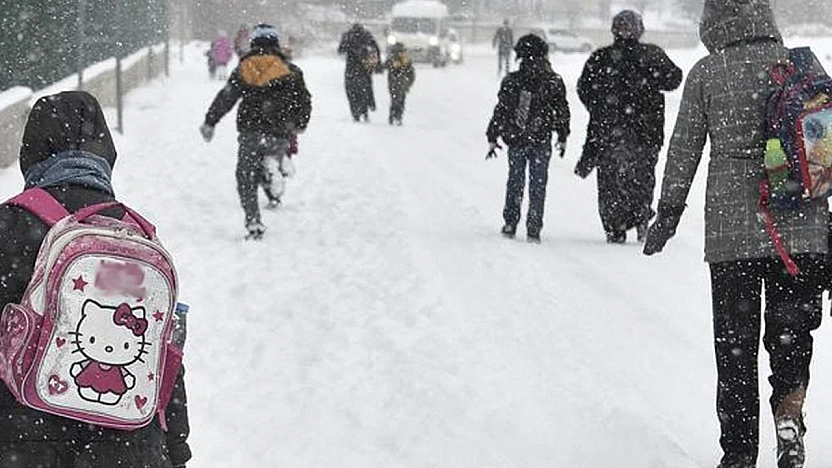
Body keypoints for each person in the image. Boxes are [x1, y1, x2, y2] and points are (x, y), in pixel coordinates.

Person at [642, 0, 828, 466]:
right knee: (791, 335)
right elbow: (822, 148)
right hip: (802, 229)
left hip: (733, 234)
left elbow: (683, 148)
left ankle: (740, 452)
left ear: (713, 22)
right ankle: (789, 415)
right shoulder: (800, 63)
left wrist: (668, 212)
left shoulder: (708, 72)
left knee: (735, 347)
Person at [0, 91, 192, 468]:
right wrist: (176, 452)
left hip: (21, 440)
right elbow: (166, 359)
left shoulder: (8, 226)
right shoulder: (138, 237)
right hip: (128, 446)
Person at [574, 10, 682, 244]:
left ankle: (615, 225)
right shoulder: (651, 55)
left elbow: (584, 88)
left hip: (609, 131)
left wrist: (600, 107)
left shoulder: (601, 58)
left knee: (610, 181)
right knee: (642, 178)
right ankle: (640, 216)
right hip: (646, 131)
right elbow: (674, 79)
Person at [200, 23, 312, 240]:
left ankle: (253, 221)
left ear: (254, 42)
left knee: (246, 175)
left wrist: (210, 121)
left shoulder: (244, 68)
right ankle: (275, 171)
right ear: (275, 43)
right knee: (270, 158)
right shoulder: (291, 70)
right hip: (280, 130)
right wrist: (299, 123)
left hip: (251, 130)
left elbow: (227, 97)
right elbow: (304, 100)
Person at [486, 34, 570, 243]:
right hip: (541, 139)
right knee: (538, 183)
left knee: (515, 180)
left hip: (516, 138)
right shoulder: (553, 81)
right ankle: (534, 226)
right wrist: (562, 134)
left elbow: (502, 110)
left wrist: (493, 134)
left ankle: (510, 222)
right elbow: (562, 110)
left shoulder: (513, 80)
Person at [338, 23, 381, 122]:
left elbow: (340, 50)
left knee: (352, 92)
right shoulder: (367, 36)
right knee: (365, 90)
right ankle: (365, 110)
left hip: (351, 68)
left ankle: (355, 114)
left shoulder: (348, 36)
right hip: (364, 68)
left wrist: (350, 47)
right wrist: (377, 64)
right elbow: (376, 49)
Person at [384, 43, 415, 126]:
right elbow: (411, 74)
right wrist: (409, 83)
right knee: (399, 101)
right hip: (401, 84)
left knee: (395, 100)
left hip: (395, 84)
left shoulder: (394, 60)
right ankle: (397, 116)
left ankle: (394, 116)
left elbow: (384, 66)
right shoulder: (405, 61)